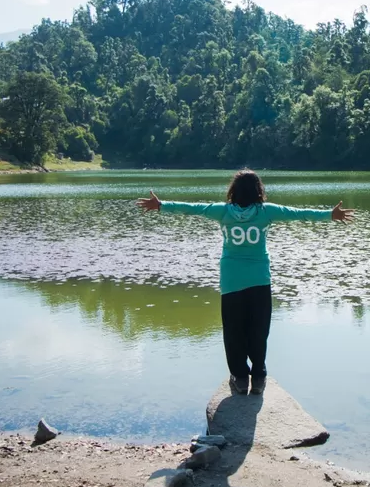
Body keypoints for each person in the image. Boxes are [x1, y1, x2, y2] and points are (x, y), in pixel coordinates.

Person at [136, 169, 355, 395]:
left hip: (231, 280)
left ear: (233, 191)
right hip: (259, 279)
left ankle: (240, 377)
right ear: (258, 191)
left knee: (234, 330)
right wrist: (330, 214)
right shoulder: (266, 212)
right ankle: (258, 376)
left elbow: (192, 208)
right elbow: (298, 213)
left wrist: (161, 205)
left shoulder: (223, 212)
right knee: (259, 330)